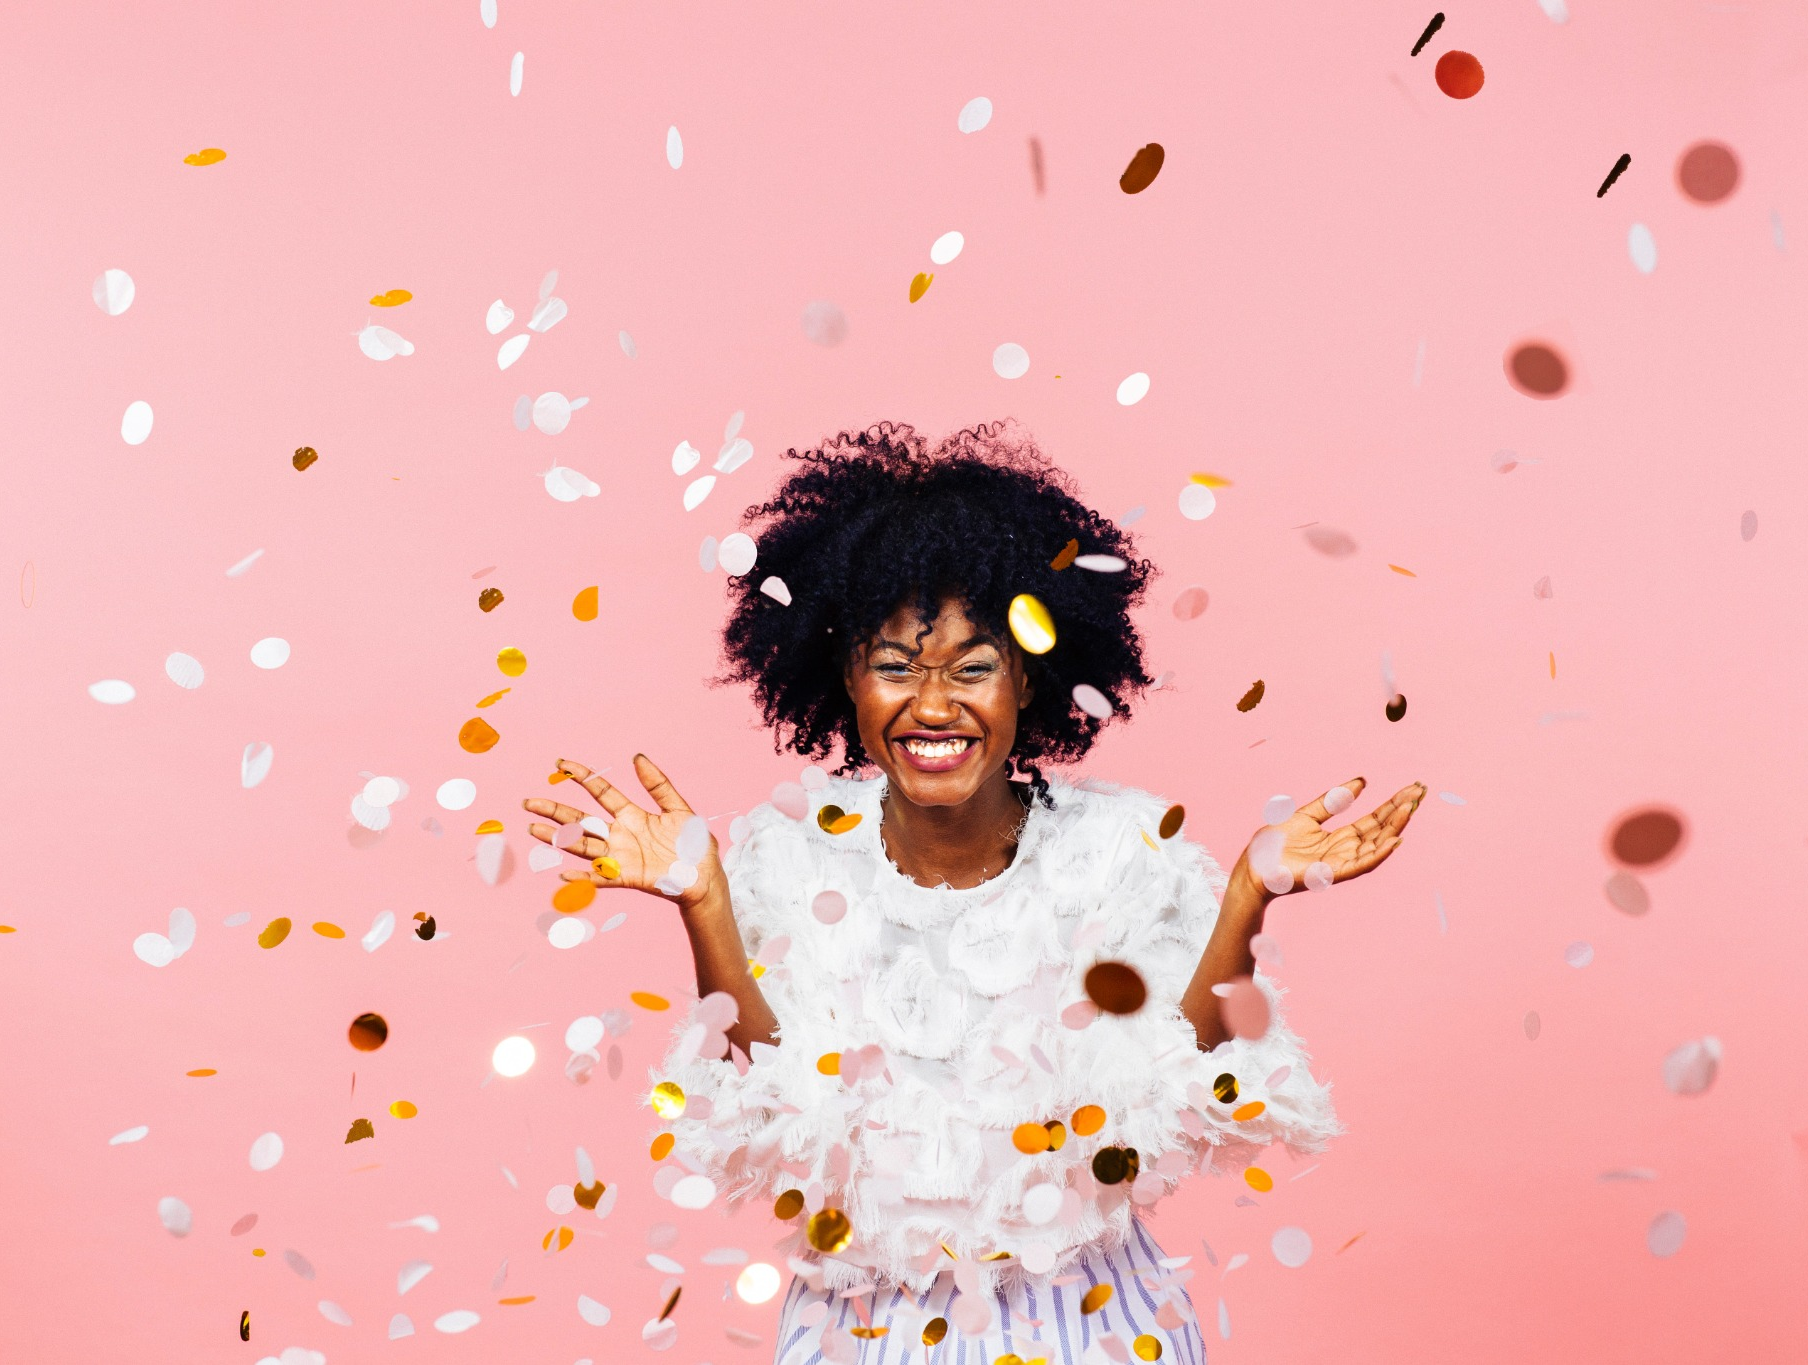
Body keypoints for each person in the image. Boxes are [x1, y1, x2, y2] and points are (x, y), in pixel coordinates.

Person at [524, 422, 1422, 1365]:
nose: (935, 704)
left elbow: (1162, 1084)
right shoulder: (788, 853)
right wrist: (702, 898)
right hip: (862, 1326)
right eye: (896, 665)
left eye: (973, 666)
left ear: (1029, 677)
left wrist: (1249, 893)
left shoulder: (1119, 846)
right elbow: (782, 1099)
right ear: (846, 678)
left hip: (1092, 1321)